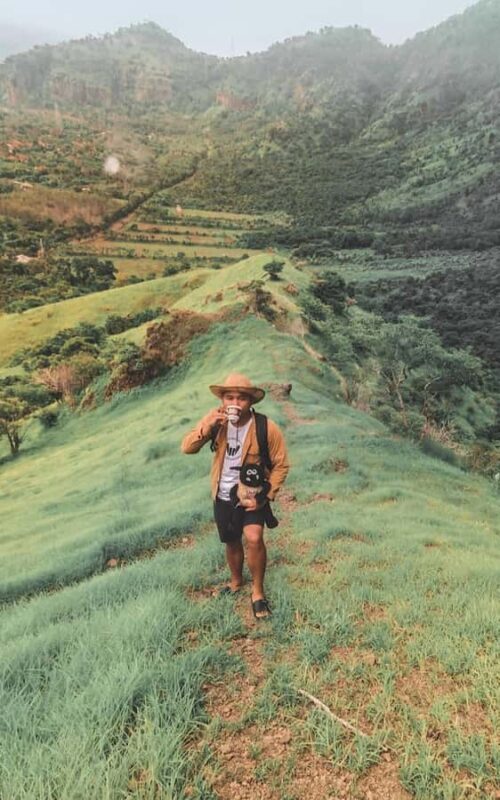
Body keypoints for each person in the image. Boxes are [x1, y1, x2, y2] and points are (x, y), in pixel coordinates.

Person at [181, 373, 289, 619]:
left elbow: (281, 464)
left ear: (250, 401)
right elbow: (187, 448)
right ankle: (236, 581)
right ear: (222, 400)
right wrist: (207, 427)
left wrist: (265, 496)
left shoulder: (266, 427)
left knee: (253, 537)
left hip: (251, 494)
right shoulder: (215, 422)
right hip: (222, 494)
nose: (235, 403)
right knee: (231, 540)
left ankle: (258, 592)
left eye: (242, 398)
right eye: (229, 397)